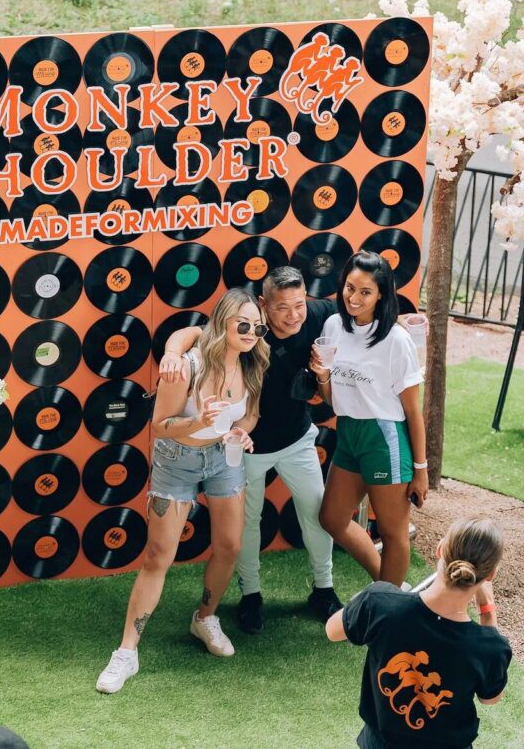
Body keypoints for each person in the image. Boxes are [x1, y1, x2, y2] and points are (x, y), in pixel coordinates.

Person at [96, 287, 269, 694]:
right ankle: (127, 651)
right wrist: (198, 423)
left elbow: (253, 413)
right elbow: (161, 424)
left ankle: (204, 618)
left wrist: (241, 433)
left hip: (224, 459)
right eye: (242, 324)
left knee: (229, 546)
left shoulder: (256, 363)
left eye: (256, 326)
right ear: (222, 322)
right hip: (178, 459)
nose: (250, 333)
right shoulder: (188, 367)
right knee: (158, 556)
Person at [160, 265, 342, 634]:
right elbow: (195, 330)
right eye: (281, 308)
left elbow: (355, 310)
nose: (293, 315)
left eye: (299, 305)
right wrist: (172, 351)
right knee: (248, 525)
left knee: (316, 512)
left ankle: (324, 590)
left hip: (298, 438)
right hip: (245, 448)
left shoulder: (316, 312)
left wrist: (397, 325)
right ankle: (251, 595)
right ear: (262, 305)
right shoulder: (245, 330)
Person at [326, 517, 510, 749]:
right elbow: (490, 698)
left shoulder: (379, 602)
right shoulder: (490, 645)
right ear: (491, 575)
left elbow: (332, 631)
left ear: (440, 549)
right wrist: (487, 612)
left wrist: (368, 598)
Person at [310, 250, 427, 586]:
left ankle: (387, 612)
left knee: (393, 533)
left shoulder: (396, 339)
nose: (354, 298)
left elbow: (412, 411)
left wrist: (420, 470)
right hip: (348, 430)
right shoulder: (333, 325)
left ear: (381, 295)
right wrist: (321, 376)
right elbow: (334, 399)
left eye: (365, 292)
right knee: (332, 518)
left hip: (383, 437)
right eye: (350, 288)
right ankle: (388, 587)